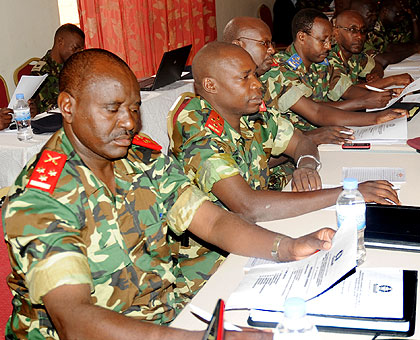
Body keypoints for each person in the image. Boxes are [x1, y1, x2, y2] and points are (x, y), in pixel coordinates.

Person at [2, 48, 337, 340]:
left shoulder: (140, 158)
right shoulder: (41, 198)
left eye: (134, 109)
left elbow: (214, 222)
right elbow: (74, 322)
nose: (129, 123)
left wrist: (287, 247)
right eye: (112, 109)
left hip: (167, 315)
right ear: (68, 107)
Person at [168, 41, 400, 226]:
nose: (257, 84)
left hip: (265, 224)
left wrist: (306, 165)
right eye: (245, 77)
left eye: (255, 76)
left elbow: (301, 141)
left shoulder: (249, 111)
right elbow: (248, 205)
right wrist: (347, 193)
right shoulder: (196, 126)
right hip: (217, 261)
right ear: (210, 86)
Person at [223, 16, 406, 146]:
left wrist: (383, 96)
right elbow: (315, 111)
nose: (272, 50)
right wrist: (373, 115)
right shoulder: (276, 71)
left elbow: (346, 91)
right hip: (296, 151)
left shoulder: (320, 61)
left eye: (272, 43)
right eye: (265, 44)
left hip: (312, 140)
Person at [331, 9, 413, 88]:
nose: (359, 36)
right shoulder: (329, 57)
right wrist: (392, 80)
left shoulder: (354, 55)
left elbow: (377, 65)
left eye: (363, 31)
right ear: (336, 32)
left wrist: (375, 75)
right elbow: (348, 92)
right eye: (353, 30)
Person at [30, 23, 85, 116]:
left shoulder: (73, 66)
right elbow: (44, 110)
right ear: (60, 42)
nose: (78, 53)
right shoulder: (42, 72)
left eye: (80, 50)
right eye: (75, 48)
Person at [351, 0, 420, 67]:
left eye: (375, 14)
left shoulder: (369, 30)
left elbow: (389, 47)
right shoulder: (355, 37)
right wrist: (414, 49)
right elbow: (383, 60)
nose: (375, 17)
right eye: (370, 14)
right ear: (356, 16)